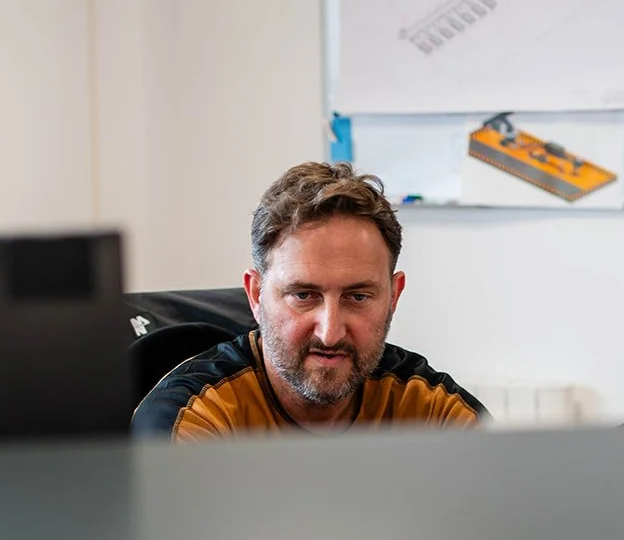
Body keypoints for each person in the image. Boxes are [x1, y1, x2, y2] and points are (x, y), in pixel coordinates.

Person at [133, 163, 485, 439]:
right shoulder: (193, 418)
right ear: (256, 295)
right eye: (304, 295)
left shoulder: (428, 407)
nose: (330, 333)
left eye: (358, 296)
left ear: (394, 296)